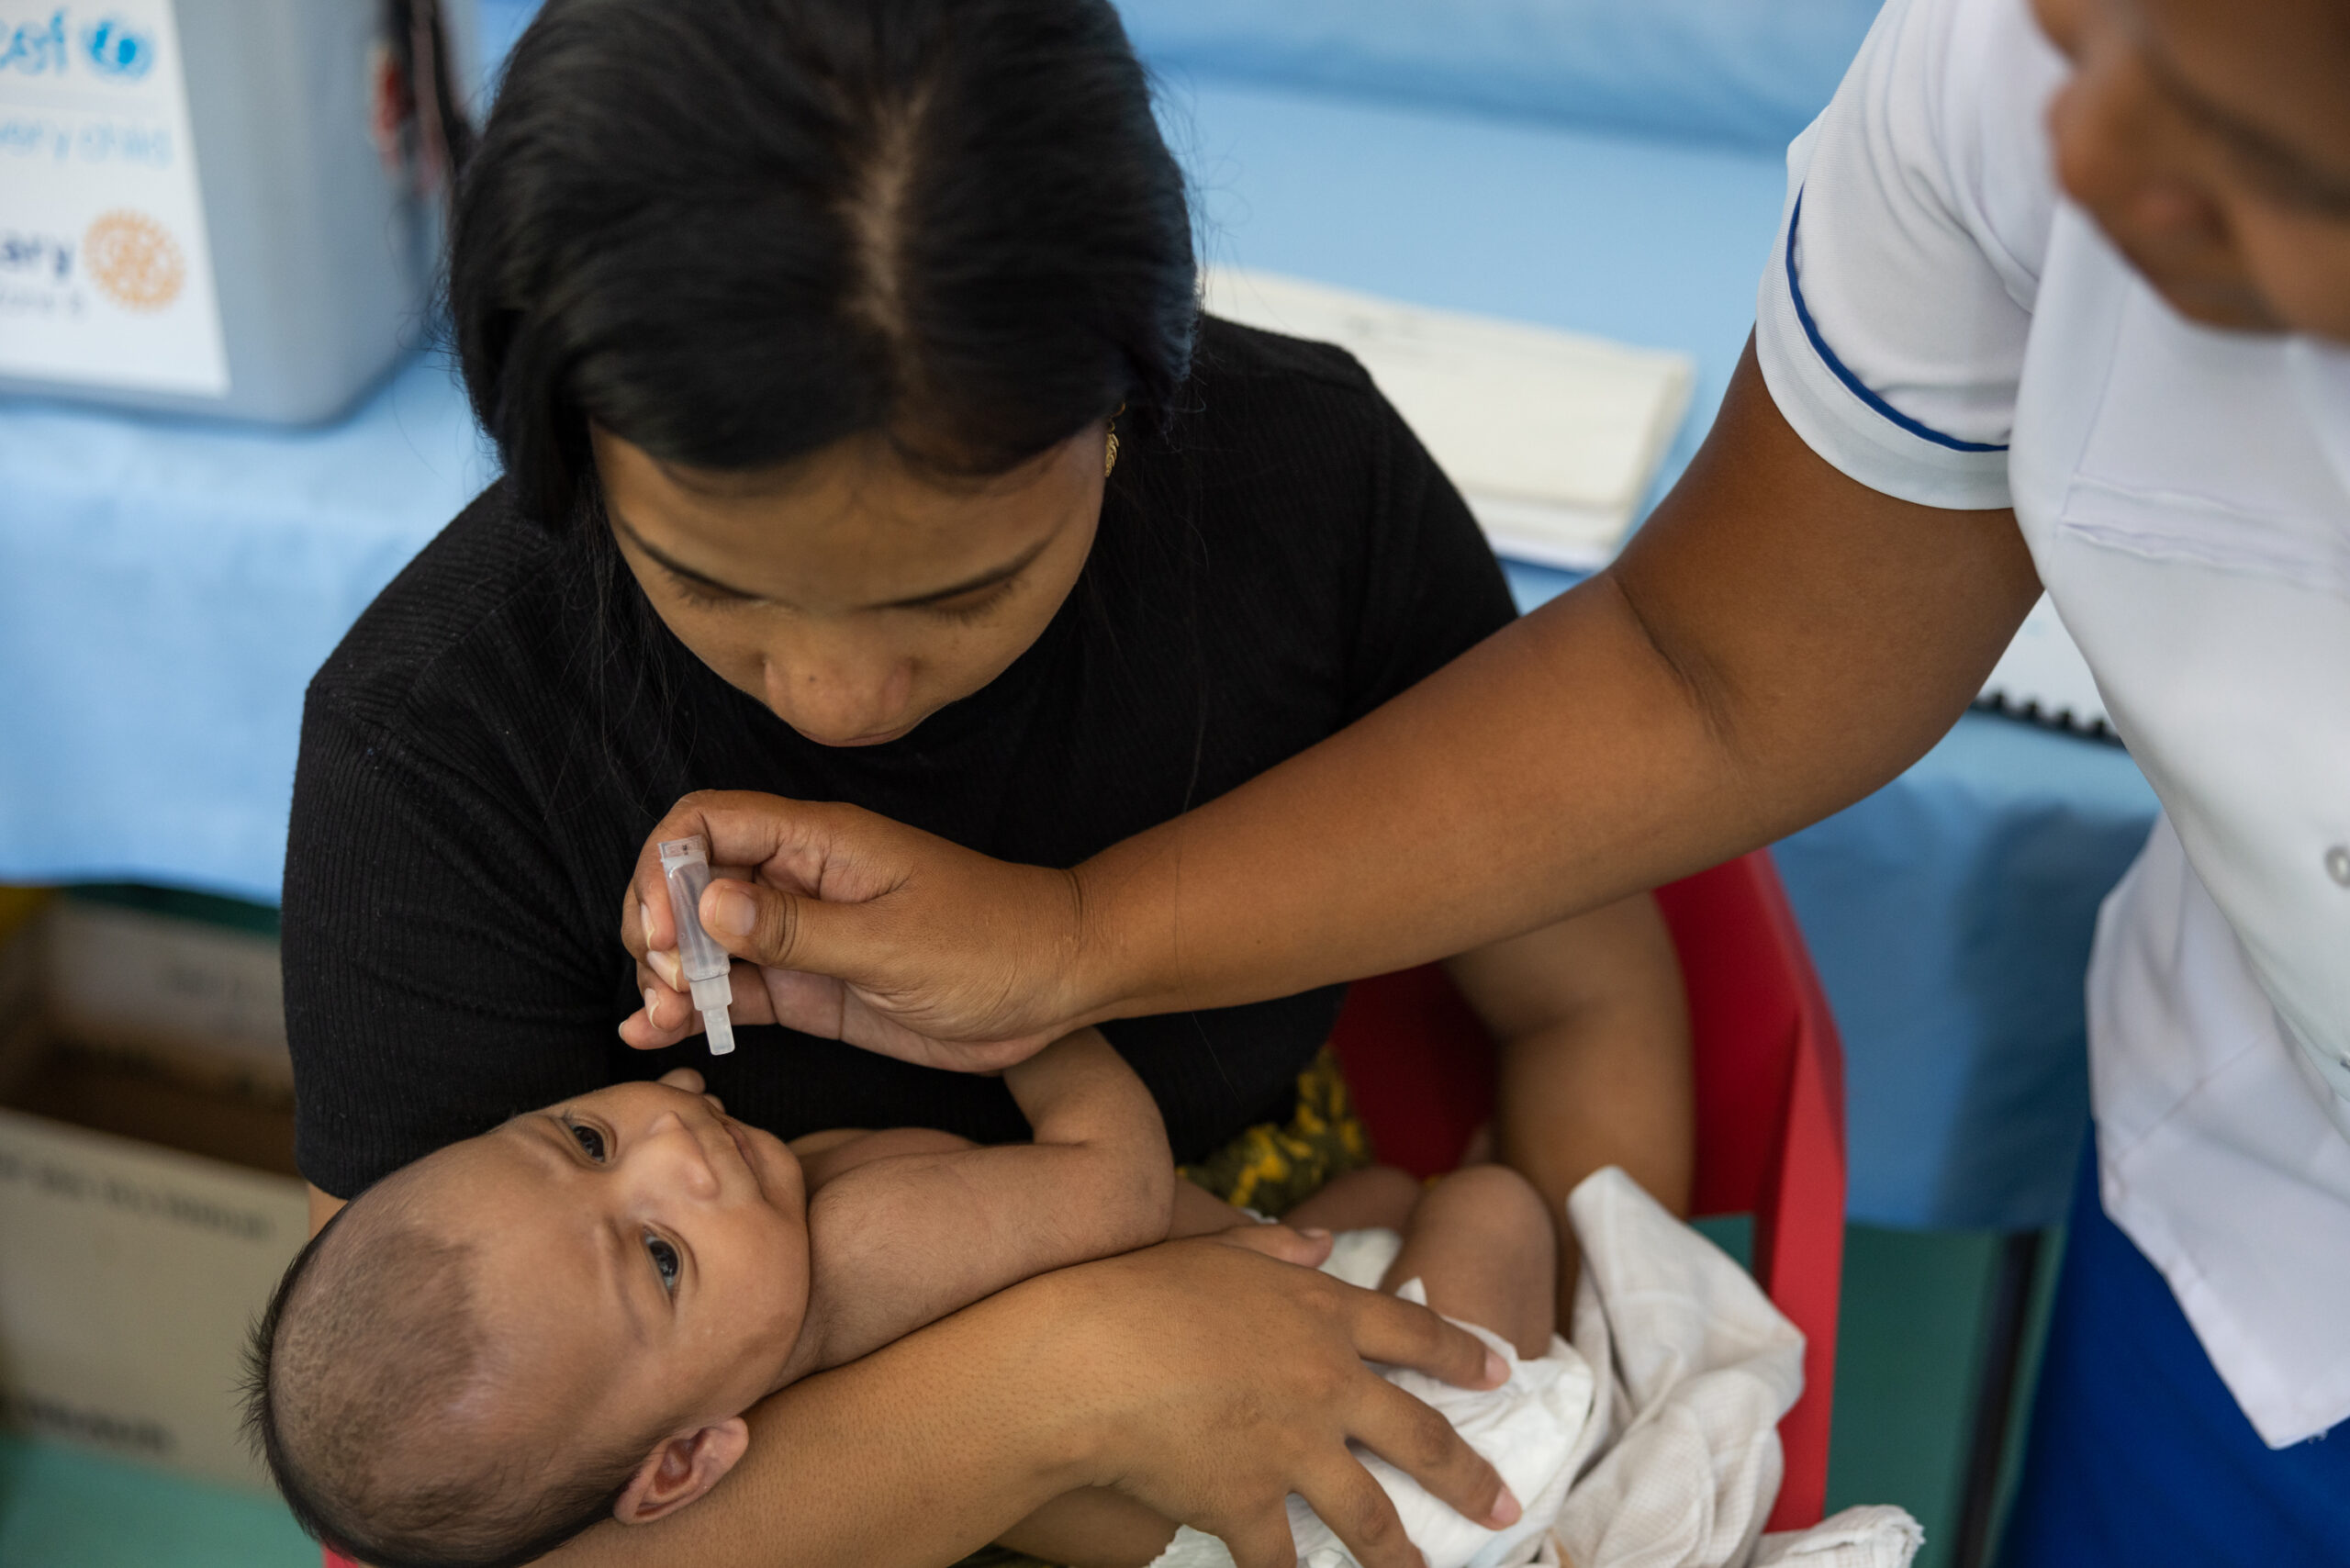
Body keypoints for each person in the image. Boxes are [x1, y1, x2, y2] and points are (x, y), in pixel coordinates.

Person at [620, 0, 2350, 1560]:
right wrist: (1065, 959)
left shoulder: (1305, 502)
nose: (2087, 157)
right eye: (2085, 30)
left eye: (2264, 153)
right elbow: (1713, 673)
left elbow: (1491, 1098)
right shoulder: (2013, 91)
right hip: (2265, 1216)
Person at [283, 0, 1692, 1563]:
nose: (837, 703)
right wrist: (1070, 1384)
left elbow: (1584, 999)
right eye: (707, 582)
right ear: (555, 446)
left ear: (1129, 413)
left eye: (961, 593)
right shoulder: (438, 745)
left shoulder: (1305, 494)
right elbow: (456, 1494)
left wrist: (1603, 1453)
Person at [248, 1042, 1576, 1568]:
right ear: (688, 1461)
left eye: (584, 1141)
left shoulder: (711, 1391)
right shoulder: (868, 1242)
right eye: (659, 1257)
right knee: (1494, 1208)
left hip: (1220, 1456)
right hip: (1355, 1489)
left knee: (1385, 1191)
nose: (675, 1152)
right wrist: (1031, 1021)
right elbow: (1113, 1190)